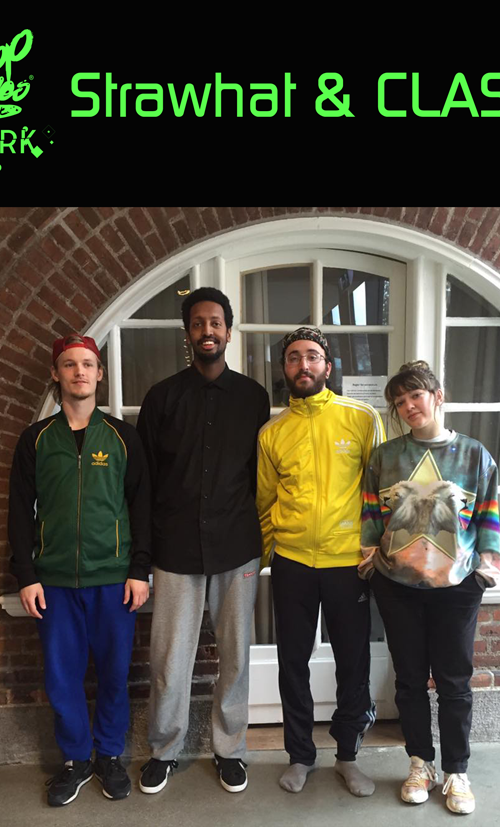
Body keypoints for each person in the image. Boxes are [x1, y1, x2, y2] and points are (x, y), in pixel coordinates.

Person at [136, 287, 270, 795]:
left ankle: (230, 750)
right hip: (175, 548)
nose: (207, 331)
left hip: (237, 545)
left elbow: (259, 475)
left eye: (215, 322)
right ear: (187, 333)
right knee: (170, 659)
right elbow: (146, 481)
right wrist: (145, 550)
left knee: (235, 656)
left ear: (228, 332)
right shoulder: (162, 398)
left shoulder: (253, 397)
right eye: (198, 323)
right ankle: (164, 750)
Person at [8, 333, 151, 807]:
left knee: (114, 673)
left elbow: (142, 507)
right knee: (61, 677)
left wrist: (139, 569)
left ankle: (109, 755)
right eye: (69, 364)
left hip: (113, 579)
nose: (79, 372)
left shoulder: (123, 437)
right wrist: (27, 575)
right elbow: (19, 512)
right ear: (56, 374)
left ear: (100, 373)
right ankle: (75, 759)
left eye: (87, 364)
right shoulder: (36, 440)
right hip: (53, 583)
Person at [361, 360, 500, 815]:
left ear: (438, 396)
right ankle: (420, 763)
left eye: (415, 396)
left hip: (457, 587)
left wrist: (486, 567)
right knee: (408, 680)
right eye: (399, 402)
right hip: (396, 585)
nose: (408, 407)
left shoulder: (475, 455)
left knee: (454, 681)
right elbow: (370, 512)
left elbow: (490, 513)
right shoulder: (384, 457)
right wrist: (370, 559)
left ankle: (457, 771)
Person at [256, 327, 385, 796]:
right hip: (292, 562)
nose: (303, 365)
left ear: (328, 367)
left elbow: (379, 492)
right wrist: (265, 559)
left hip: (348, 562)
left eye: (312, 356)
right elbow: (265, 501)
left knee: (353, 660)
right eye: (293, 358)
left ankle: (348, 755)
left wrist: (374, 550)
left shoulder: (361, 418)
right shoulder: (272, 432)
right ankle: (300, 755)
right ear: (284, 369)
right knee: (293, 661)